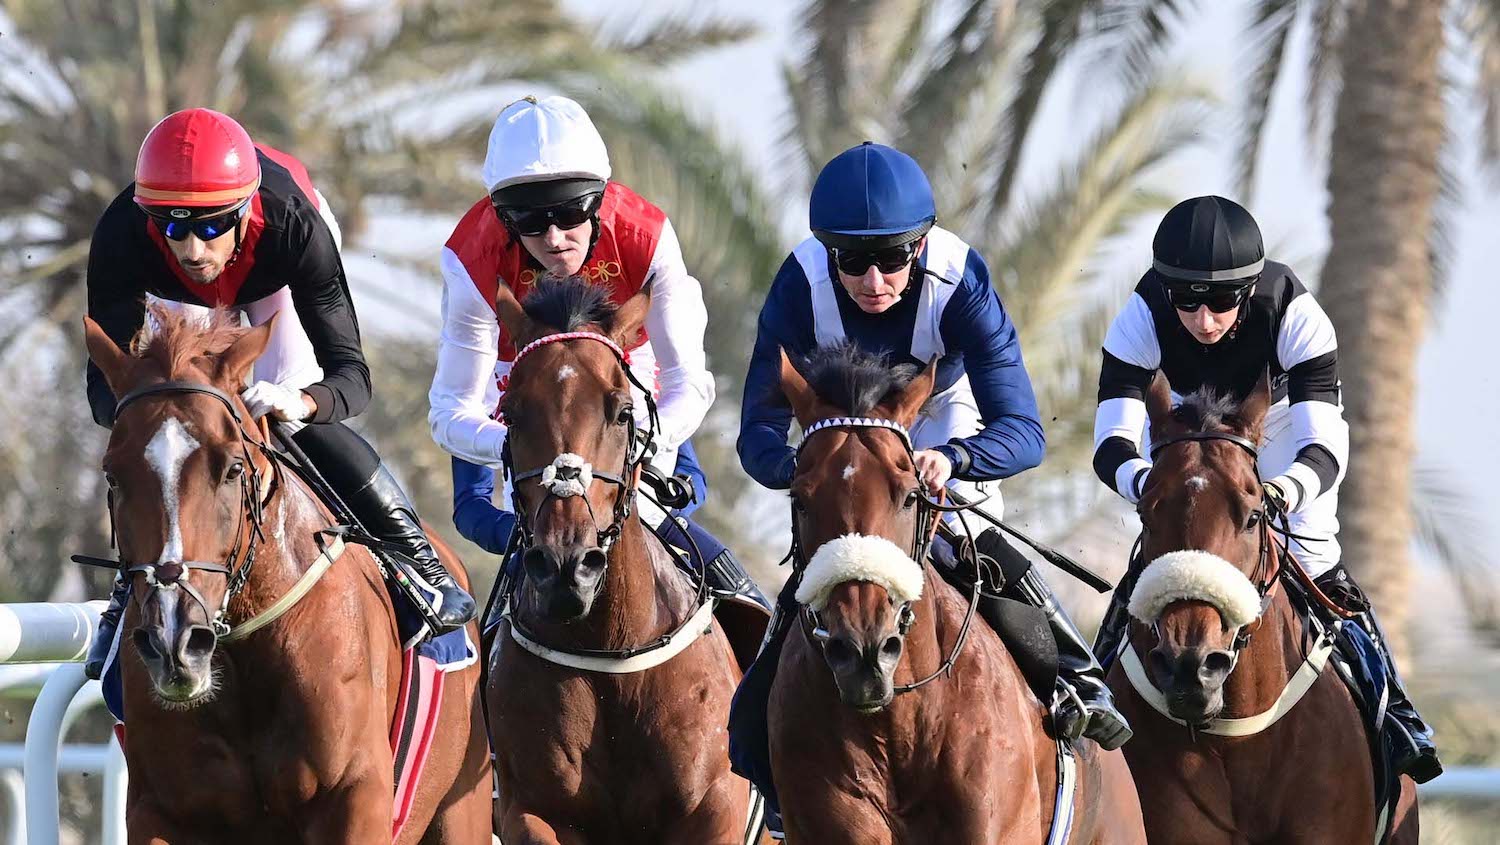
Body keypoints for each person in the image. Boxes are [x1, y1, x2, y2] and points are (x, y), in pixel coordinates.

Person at [732, 141, 1133, 826]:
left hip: (941, 416)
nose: (873, 280)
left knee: (967, 536)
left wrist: (957, 458)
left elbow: (1023, 429)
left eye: (892, 259)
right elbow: (757, 433)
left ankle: (1077, 676)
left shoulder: (960, 279)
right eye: (853, 261)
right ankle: (756, 739)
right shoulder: (799, 283)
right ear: (828, 253)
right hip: (838, 434)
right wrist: (800, 468)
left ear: (920, 245)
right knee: (816, 567)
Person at [83, 108, 475, 678]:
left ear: (243, 211)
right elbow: (101, 388)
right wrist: (148, 406)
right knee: (163, 435)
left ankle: (417, 559)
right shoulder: (122, 233)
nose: (193, 250)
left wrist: (304, 401)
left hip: (275, 279)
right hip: (173, 300)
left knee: (283, 413)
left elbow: (351, 377)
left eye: (211, 227)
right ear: (150, 218)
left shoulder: (294, 227)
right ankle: (131, 586)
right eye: (173, 228)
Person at [1089, 194, 1440, 783]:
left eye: (1222, 301)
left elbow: (1324, 447)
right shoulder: (1140, 315)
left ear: (1249, 290)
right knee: (1161, 556)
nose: (1204, 320)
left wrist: (1282, 494)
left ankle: (1397, 714)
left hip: (1276, 426)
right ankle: (1098, 688)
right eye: (1187, 302)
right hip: (1184, 427)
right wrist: (1148, 486)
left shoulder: (1296, 314)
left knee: (1315, 555)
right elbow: (1111, 445)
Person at [428, 95, 766, 614]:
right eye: (529, 220)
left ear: (599, 199)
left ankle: (754, 613)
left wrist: (625, 441)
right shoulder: (471, 256)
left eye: (571, 213)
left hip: (625, 370)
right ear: (502, 218)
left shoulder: (646, 237)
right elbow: (450, 413)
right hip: (518, 380)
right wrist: (532, 445)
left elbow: (688, 383)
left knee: (649, 507)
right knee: (518, 517)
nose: (554, 238)